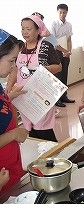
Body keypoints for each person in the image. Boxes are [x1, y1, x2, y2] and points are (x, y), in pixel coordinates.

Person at [6, 15, 62, 142]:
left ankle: (53, 153)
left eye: (28, 29)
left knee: (43, 129)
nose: (25, 32)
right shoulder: (19, 47)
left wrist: (47, 69)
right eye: (23, 29)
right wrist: (9, 85)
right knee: (30, 129)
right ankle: (39, 155)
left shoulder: (46, 46)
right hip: (23, 95)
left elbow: (59, 66)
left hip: (41, 95)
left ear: (38, 30)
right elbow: (15, 68)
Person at [0, 29, 29, 194]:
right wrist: (14, 134)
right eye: (11, 61)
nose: (13, 67)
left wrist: (10, 97)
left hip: (10, 162)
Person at [49, 4, 74, 107]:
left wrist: (69, 51)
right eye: (60, 12)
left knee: (64, 75)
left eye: (64, 12)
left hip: (66, 53)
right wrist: (64, 51)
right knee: (57, 76)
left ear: (67, 13)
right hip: (56, 53)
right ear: (57, 12)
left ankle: (64, 96)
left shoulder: (69, 25)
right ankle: (57, 99)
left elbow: (69, 39)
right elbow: (53, 42)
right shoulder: (54, 24)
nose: (62, 14)